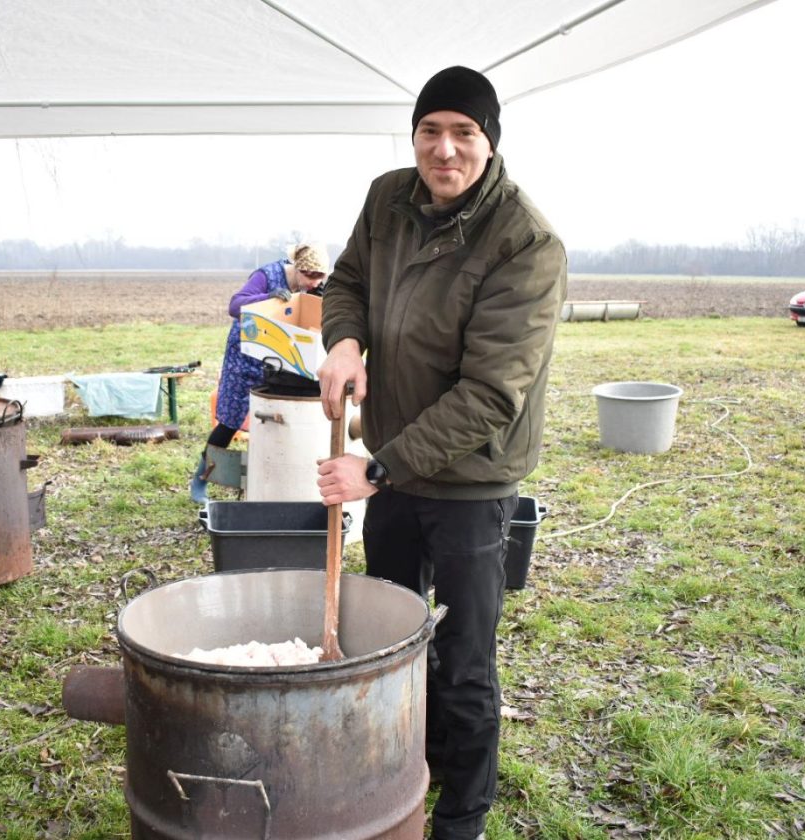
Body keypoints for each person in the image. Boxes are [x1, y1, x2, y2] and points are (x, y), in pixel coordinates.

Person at [315, 66, 566, 840]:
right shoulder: (389, 196)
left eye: (464, 134)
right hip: (389, 464)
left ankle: (462, 814)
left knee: (461, 660)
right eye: (431, 131)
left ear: (489, 145)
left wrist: (378, 467)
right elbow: (348, 279)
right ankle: (403, 772)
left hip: (468, 481)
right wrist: (345, 340)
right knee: (393, 636)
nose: (445, 150)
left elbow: (492, 394)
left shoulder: (526, 242)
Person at [190, 242, 330, 503]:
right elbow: (235, 306)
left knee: (280, 417)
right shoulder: (267, 276)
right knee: (230, 421)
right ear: (298, 268)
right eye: (310, 276)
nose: (313, 282)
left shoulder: (311, 286)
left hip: (280, 357)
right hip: (245, 355)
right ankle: (200, 480)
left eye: (319, 277)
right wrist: (269, 297)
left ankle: (273, 480)